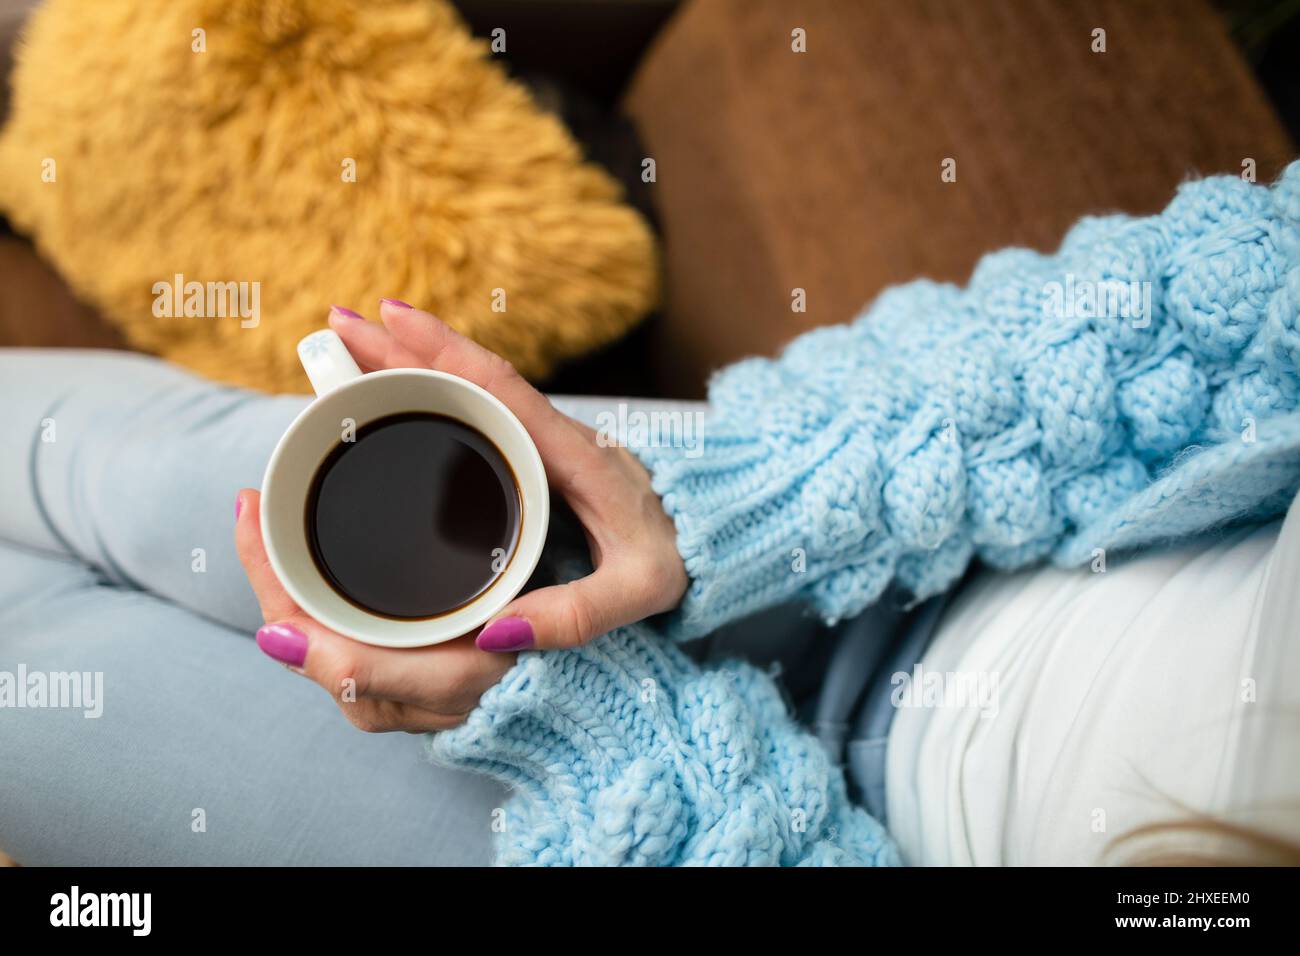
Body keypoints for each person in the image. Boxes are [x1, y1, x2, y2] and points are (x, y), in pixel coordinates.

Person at [2, 168, 1299, 864]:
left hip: (674, 825)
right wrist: (723, 505)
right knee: (131, 472)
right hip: (883, 544)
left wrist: (577, 710)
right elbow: (1236, 293)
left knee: (29, 695)